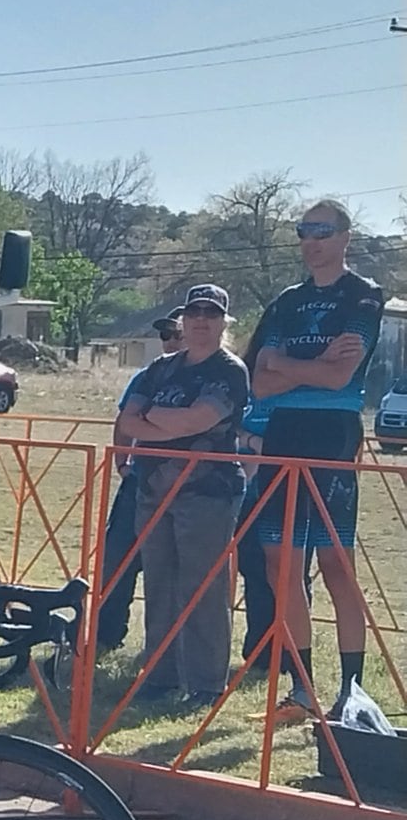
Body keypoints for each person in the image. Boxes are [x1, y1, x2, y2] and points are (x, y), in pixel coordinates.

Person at [242, 199, 383, 719]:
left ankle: (351, 690)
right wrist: (312, 363)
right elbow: (259, 380)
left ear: (345, 236)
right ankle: (302, 690)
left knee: (335, 564)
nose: (311, 240)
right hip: (284, 430)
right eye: (304, 230)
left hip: (332, 432)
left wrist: (288, 365)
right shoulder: (287, 301)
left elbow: (339, 377)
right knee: (280, 563)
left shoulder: (362, 295)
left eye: (322, 230)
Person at [118, 284, 250, 705]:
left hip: (208, 492)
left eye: (211, 314)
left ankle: (207, 684)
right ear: (183, 320)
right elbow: (127, 422)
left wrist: (154, 416)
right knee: (159, 582)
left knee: (202, 587)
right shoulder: (161, 367)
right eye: (193, 313)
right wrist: (166, 424)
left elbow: (198, 421)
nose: (200, 321)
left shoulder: (229, 370)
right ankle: (160, 676)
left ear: (223, 322)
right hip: (153, 488)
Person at [97, 310, 184, 651]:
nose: (170, 341)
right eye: (165, 335)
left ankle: (164, 648)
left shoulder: (215, 374)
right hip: (140, 479)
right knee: (116, 559)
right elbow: (124, 420)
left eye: (177, 334)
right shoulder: (148, 375)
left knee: (170, 569)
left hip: (186, 486)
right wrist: (122, 463)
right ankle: (105, 633)